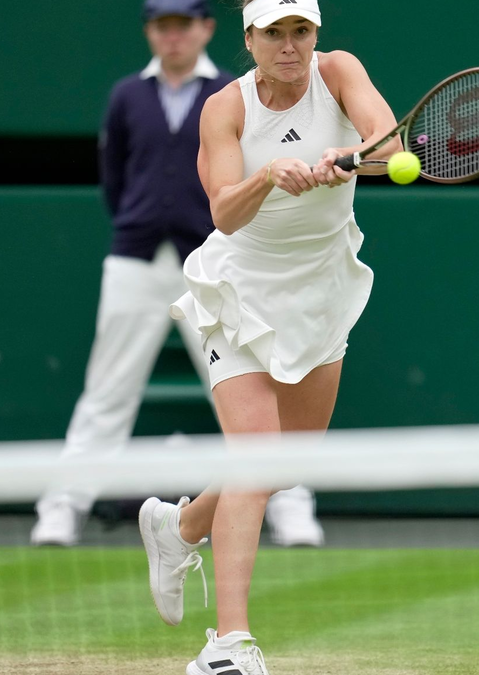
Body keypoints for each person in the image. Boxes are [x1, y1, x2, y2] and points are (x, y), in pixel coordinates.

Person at [136, 0, 403, 672]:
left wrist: (350, 157)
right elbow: (224, 212)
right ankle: (228, 645)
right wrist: (269, 175)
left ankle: (181, 526)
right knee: (254, 458)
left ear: (316, 34)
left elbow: (390, 147)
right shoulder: (225, 108)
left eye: (301, 32)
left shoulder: (339, 71)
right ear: (249, 39)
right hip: (240, 293)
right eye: (275, 34)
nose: (290, 46)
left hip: (322, 288)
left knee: (283, 466)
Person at [31, 0, 326, 549]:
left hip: (216, 264)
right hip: (137, 261)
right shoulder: (127, 96)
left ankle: (291, 512)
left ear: (207, 29)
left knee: (258, 390)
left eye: (183, 25)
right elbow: (114, 180)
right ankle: (62, 509)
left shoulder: (234, 94)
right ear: (150, 32)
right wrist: (141, 225)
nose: (173, 37)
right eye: (162, 26)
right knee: (106, 390)